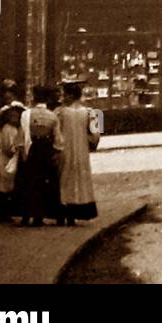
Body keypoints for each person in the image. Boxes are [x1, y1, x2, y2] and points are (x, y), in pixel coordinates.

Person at [18, 86, 64, 227]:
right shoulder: (52, 116)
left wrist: (22, 152)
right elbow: (58, 138)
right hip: (47, 149)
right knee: (49, 182)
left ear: (34, 98)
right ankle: (51, 215)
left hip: (33, 148)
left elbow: (21, 136)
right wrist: (57, 152)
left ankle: (27, 215)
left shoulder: (27, 114)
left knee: (30, 182)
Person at [56, 81, 99, 226]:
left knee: (64, 178)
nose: (63, 98)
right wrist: (90, 143)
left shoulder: (61, 112)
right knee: (80, 178)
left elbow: (56, 132)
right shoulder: (89, 112)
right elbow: (96, 134)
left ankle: (64, 211)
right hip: (81, 151)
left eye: (65, 95)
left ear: (70, 95)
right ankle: (79, 208)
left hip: (64, 149)